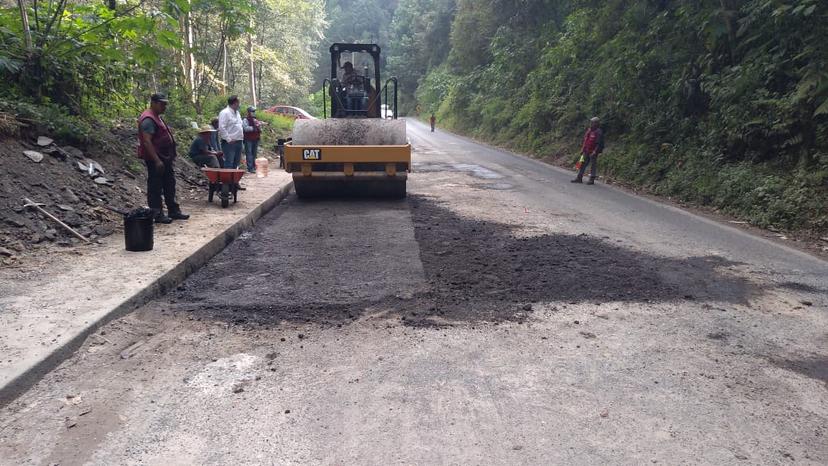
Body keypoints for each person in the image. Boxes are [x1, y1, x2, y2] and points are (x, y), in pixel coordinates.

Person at [137, 93, 189, 224]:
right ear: (153, 103)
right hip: (156, 159)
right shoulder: (148, 119)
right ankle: (157, 213)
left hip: (165, 158)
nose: (164, 107)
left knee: (169, 184)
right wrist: (157, 160)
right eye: (162, 104)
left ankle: (173, 210)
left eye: (165, 104)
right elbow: (147, 142)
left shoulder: (157, 117)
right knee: (155, 186)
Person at [218, 95, 245, 190]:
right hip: (230, 143)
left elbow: (239, 125)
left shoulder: (237, 113)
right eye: (238, 102)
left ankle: (235, 182)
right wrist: (228, 139)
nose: (239, 104)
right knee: (229, 163)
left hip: (239, 141)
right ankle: (227, 185)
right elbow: (222, 127)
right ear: (234, 103)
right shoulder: (225, 113)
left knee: (236, 163)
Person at [571, 116, 605, 185]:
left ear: (596, 123)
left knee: (593, 165)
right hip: (586, 150)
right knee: (581, 162)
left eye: (592, 123)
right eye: (591, 122)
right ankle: (579, 177)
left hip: (592, 152)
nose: (591, 124)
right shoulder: (589, 130)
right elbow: (585, 140)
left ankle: (591, 179)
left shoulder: (598, 132)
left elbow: (599, 143)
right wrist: (582, 149)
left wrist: (595, 151)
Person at [242, 106, 263, 174]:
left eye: (254, 111)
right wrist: (254, 127)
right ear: (249, 112)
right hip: (248, 139)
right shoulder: (245, 120)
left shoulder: (255, 119)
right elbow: (245, 128)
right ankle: (250, 168)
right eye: (252, 111)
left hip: (255, 138)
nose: (253, 113)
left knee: (254, 153)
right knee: (249, 153)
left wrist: (259, 126)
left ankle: (254, 167)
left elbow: (259, 128)